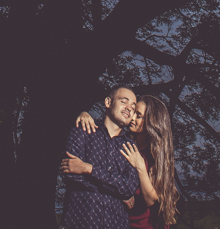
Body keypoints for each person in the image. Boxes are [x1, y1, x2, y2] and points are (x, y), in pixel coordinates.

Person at [74, 94, 179, 227]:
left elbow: (150, 200)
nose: (133, 117)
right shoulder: (122, 142)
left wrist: (140, 166)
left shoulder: (153, 156)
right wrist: (85, 115)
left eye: (139, 116)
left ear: (152, 122)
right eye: (134, 112)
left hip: (147, 224)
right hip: (120, 221)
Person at [59, 86, 141, 229]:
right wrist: (117, 192)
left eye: (133, 107)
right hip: (80, 221)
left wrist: (88, 169)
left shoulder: (131, 147)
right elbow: (72, 176)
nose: (129, 108)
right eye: (124, 101)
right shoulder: (82, 129)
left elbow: (128, 188)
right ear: (108, 102)